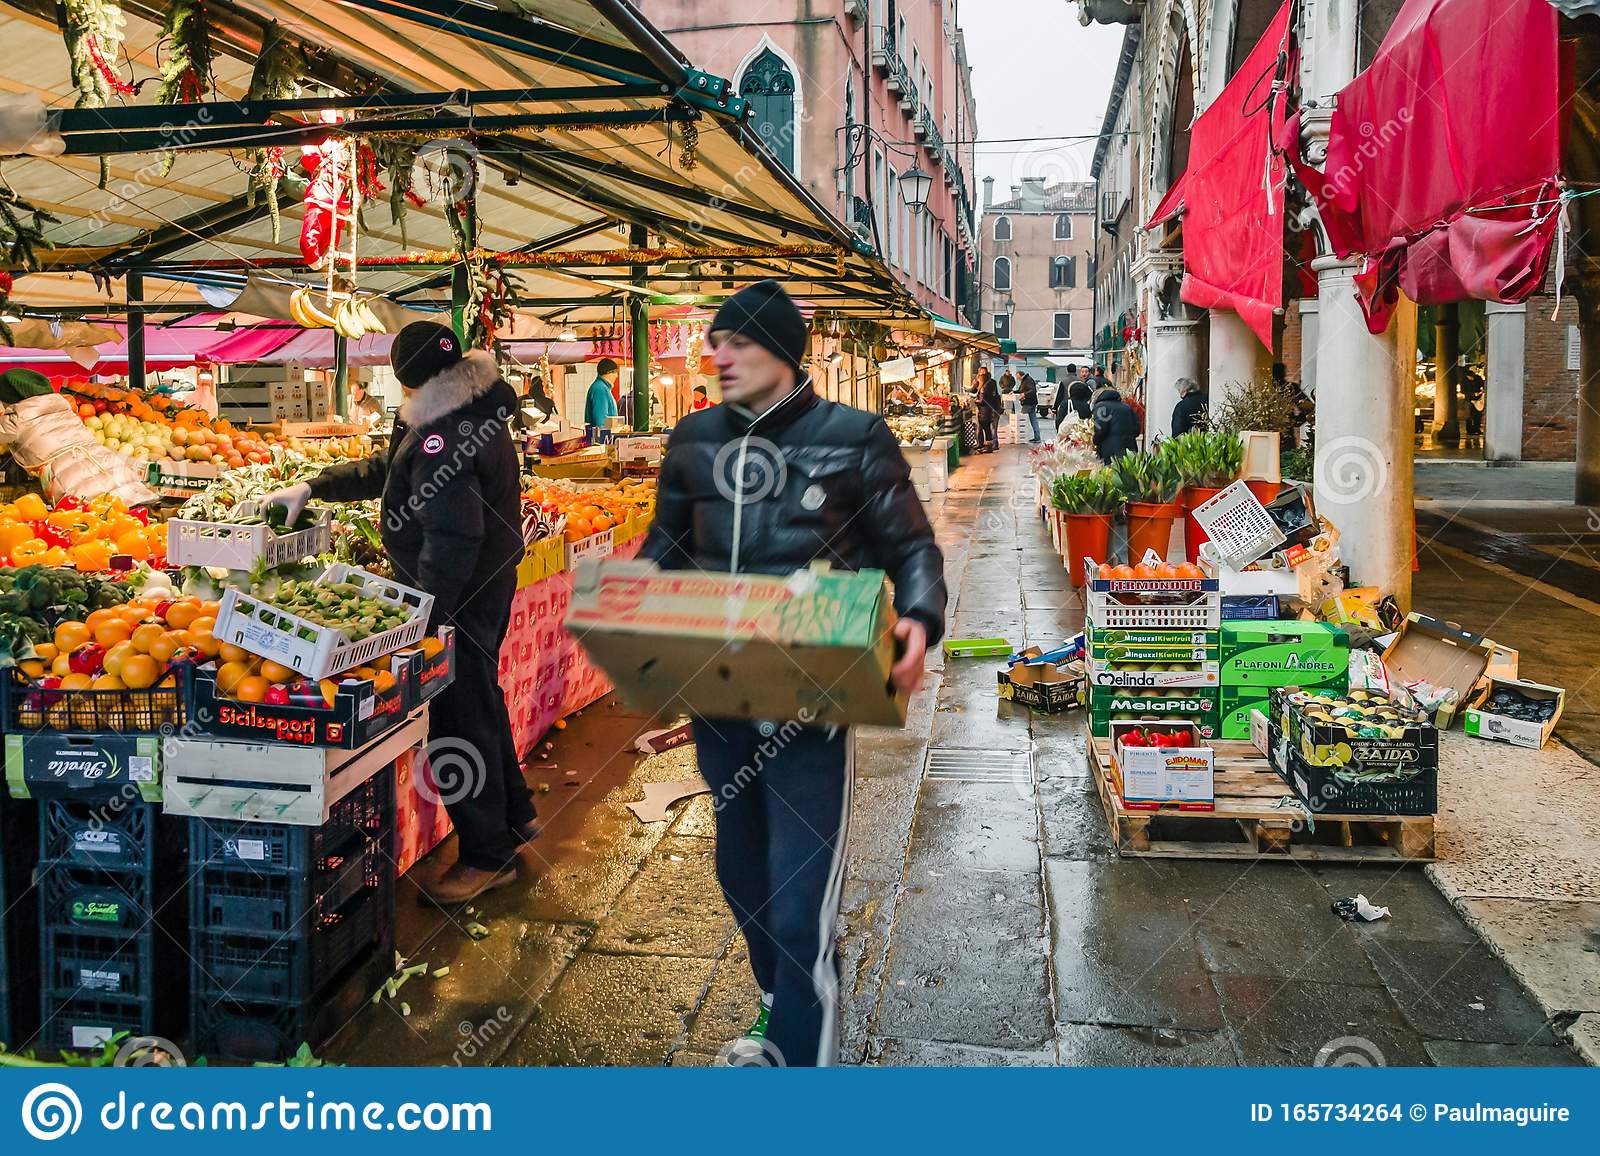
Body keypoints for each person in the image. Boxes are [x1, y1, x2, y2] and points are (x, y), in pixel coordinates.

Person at [641, 280, 946, 1067]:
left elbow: (911, 548)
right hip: (720, 698)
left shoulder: (855, 436)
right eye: (716, 341)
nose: (718, 356)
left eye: (736, 342)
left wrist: (918, 618)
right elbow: (664, 552)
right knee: (741, 868)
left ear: (781, 351)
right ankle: (780, 999)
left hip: (813, 702)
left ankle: (799, 1060)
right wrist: (631, 618)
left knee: (802, 895)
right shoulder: (694, 439)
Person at [260, 322, 532, 903]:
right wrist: (314, 485)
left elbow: (453, 537)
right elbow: (392, 471)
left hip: (458, 595)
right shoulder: (465, 408)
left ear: (406, 378)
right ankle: (518, 815)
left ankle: (487, 855)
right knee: (480, 698)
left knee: (459, 718)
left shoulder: (445, 431)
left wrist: (423, 621)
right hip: (480, 587)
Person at [1093, 385, 1140, 464]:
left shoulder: (1101, 406)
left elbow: (1100, 430)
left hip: (1110, 452)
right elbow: (1136, 429)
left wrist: (1094, 441)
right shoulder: (1126, 407)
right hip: (1130, 451)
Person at [584, 357, 620, 430]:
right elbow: (601, 420)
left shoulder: (603, 387)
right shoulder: (600, 389)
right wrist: (604, 438)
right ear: (608, 372)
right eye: (615, 372)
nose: (616, 376)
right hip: (603, 438)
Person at [979, 367, 1004, 451]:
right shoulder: (992, 383)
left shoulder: (985, 386)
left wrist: (977, 401)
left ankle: (993, 445)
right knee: (993, 428)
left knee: (992, 428)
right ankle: (994, 444)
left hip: (991, 409)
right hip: (995, 408)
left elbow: (983, 399)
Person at [1020, 373, 1041, 443]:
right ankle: (1037, 437)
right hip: (1032, 402)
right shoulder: (1026, 380)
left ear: (1020, 375)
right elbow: (1021, 390)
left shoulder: (1027, 380)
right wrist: (1014, 392)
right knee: (1033, 420)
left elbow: (1032, 390)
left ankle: (1022, 437)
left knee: (1021, 420)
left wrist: (1024, 394)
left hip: (1028, 403)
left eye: (1018, 377)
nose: (1017, 379)